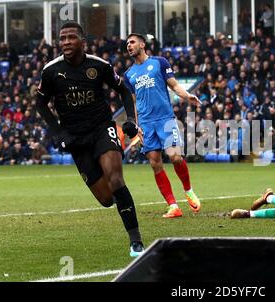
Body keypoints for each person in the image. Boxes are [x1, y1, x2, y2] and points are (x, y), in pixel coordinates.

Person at [36, 22, 145, 257]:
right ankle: (121, 203)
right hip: (76, 138)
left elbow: (124, 91)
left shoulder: (99, 66)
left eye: (71, 38)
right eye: (62, 38)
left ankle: (136, 241)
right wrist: (58, 132)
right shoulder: (51, 71)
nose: (65, 42)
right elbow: (41, 104)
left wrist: (131, 121)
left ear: (82, 41)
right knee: (106, 199)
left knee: (115, 178)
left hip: (101, 128)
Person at [125, 33, 202, 218]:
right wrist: (136, 126)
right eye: (127, 43)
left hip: (165, 119)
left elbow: (174, 85)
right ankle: (173, 206)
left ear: (142, 44)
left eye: (132, 42)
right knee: (155, 163)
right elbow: (134, 103)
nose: (129, 45)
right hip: (145, 123)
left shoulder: (159, 62)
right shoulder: (128, 75)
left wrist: (187, 96)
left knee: (175, 157)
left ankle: (188, 190)